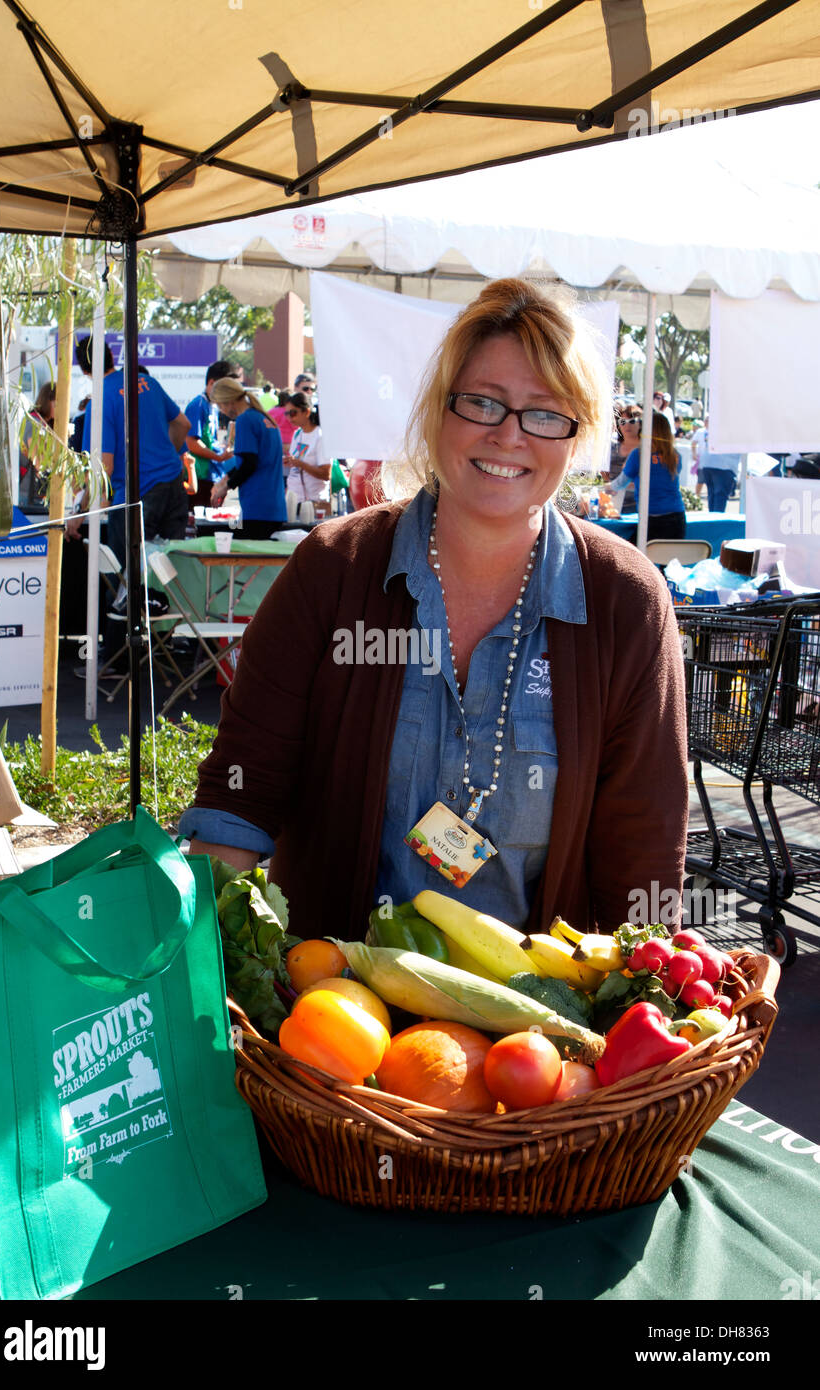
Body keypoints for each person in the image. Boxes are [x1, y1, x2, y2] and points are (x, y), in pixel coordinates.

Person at [179, 277, 688, 942]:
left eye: (544, 413)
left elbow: (643, 861)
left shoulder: (625, 604)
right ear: (439, 409)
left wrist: (648, 1009)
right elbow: (237, 800)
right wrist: (201, 975)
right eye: (482, 402)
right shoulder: (334, 571)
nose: (510, 436)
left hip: (534, 1029)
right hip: (331, 1019)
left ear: (575, 436)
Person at [75, 337, 191, 565]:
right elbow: (183, 424)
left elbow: (104, 467)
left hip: (137, 494)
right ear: (110, 355)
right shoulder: (147, 382)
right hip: (173, 485)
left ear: (84, 370)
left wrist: (81, 508)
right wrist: (164, 455)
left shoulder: (100, 400)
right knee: (170, 571)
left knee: (126, 577)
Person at [208, 378, 286, 539]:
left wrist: (226, 487)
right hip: (275, 507)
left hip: (257, 507)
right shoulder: (264, 418)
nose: (221, 411)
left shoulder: (245, 420)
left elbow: (250, 464)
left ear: (229, 401)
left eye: (221, 405)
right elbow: (249, 461)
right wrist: (226, 480)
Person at [605, 409, 686, 543]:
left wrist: (604, 487)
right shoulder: (675, 455)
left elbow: (620, 484)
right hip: (677, 516)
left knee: (633, 557)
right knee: (670, 561)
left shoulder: (639, 455)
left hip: (651, 519)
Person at [184, 360, 238, 509]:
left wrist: (223, 449)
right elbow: (191, 442)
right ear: (212, 383)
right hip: (199, 477)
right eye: (224, 388)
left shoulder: (212, 405)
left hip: (213, 474)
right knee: (199, 525)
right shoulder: (198, 405)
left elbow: (209, 440)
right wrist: (218, 456)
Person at [285, 392, 331, 512]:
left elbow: (326, 474)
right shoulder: (297, 434)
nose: (289, 418)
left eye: (293, 413)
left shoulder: (319, 436)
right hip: (295, 501)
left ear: (307, 412)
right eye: (287, 413)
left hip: (315, 503)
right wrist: (290, 462)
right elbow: (297, 464)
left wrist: (300, 464)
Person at [693, 416, 741, 513]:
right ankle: (715, 523)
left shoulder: (718, 427)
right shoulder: (734, 429)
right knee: (719, 497)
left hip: (708, 464)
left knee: (712, 495)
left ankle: (712, 521)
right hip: (724, 466)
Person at [268, 389, 297, 481]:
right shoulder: (290, 413)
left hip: (274, 445)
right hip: (289, 445)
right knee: (288, 473)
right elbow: (296, 427)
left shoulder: (271, 411)